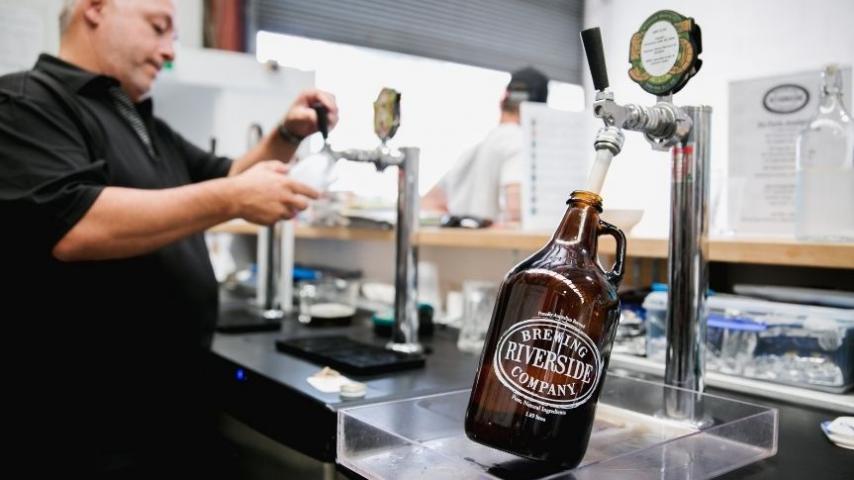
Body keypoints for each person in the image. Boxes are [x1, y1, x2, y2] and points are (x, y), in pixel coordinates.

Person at [0, 0, 337, 476]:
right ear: (94, 8)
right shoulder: (27, 102)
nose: (168, 52)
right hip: (80, 429)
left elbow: (231, 176)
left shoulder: (145, 124)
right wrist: (233, 196)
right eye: (158, 28)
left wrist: (287, 132)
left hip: (165, 412)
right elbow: (75, 223)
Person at [422, 67, 549, 224]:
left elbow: (427, 204)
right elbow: (516, 210)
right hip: (499, 248)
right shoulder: (519, 142)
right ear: (539, 111)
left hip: (466, 246)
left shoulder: (472, 150)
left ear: (503, 101)